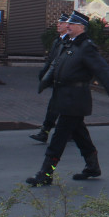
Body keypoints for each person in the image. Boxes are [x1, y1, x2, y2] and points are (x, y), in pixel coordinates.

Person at [27, 11, 109, 185]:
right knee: (80, 134)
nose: (67, 26)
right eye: (68, 24)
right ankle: (93, 167)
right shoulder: (67, 44)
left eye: (71, 24)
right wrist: (45, 79)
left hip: (75, 99)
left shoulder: (87, 47)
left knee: (58, 138)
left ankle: (46, 173)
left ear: (81, 28)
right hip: (63, 96)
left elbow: (102, 70)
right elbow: (56, 65)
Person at [29, 13, 69, 143]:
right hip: (56, 79)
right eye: (58, 22)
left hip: (64, 80)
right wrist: (44, 72)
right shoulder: (57, 40)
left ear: (68, 25)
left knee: (57, 107)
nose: (58, 24)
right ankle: (69, 133)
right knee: (62, 108)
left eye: (61, 23)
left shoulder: (68, 42)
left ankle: (45, 132)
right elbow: (51, 59)